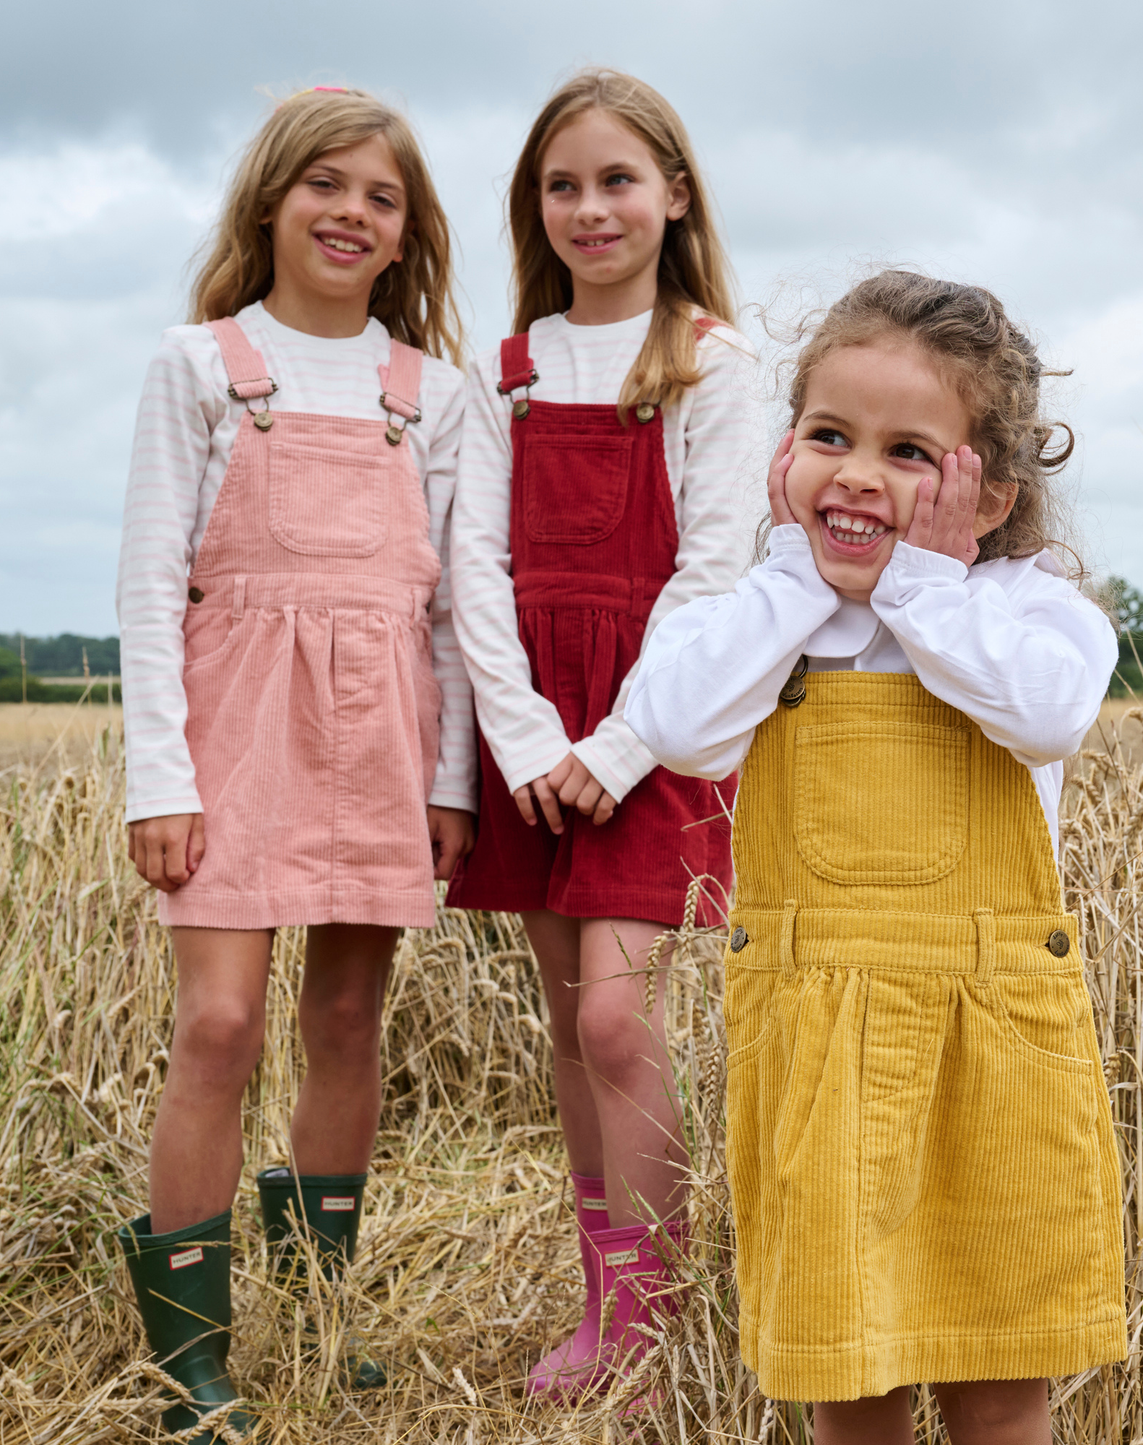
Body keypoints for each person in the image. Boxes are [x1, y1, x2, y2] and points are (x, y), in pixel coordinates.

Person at [626, 270, 1126, 1445]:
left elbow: (1046, 713)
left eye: (908, 452)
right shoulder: (764, 611)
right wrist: (802, 572)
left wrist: (917, 585)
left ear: (988, 493)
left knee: (1000, 1366)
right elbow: (678, 722)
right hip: (815, 1034)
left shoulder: (1024, 607)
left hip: (988, 1033)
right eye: (827, 436)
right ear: (783, 452)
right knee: (844, 1368)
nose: (855, 472)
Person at [114, 87, 475, 1439]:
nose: (350, 212)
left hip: (381, 728)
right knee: (216, 1024)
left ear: (404, 236)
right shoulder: (200, 363)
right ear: (271, 201)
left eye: (380, 198)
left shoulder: (427, 393)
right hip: (235, 728)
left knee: (342, 1023)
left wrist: (451, 785)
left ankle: (322, 1310)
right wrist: (163, 776)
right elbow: (152, 584)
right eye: (325, 184)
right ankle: (189, 1349)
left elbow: (450, 611)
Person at [447, 68, 757, 1398]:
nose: (590, 207)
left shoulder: (714, 365)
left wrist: (619, 747)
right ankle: (604, 1297)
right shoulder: (504, 373)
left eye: (618, 179)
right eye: (561, 186)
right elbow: (470, 570)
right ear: (536, 208)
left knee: (624, 1022)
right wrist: (523, 745)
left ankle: (654, 1310)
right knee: (570, 1023)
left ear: (673, 196)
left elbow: (716, 570)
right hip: (530, 733)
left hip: (658, 726)